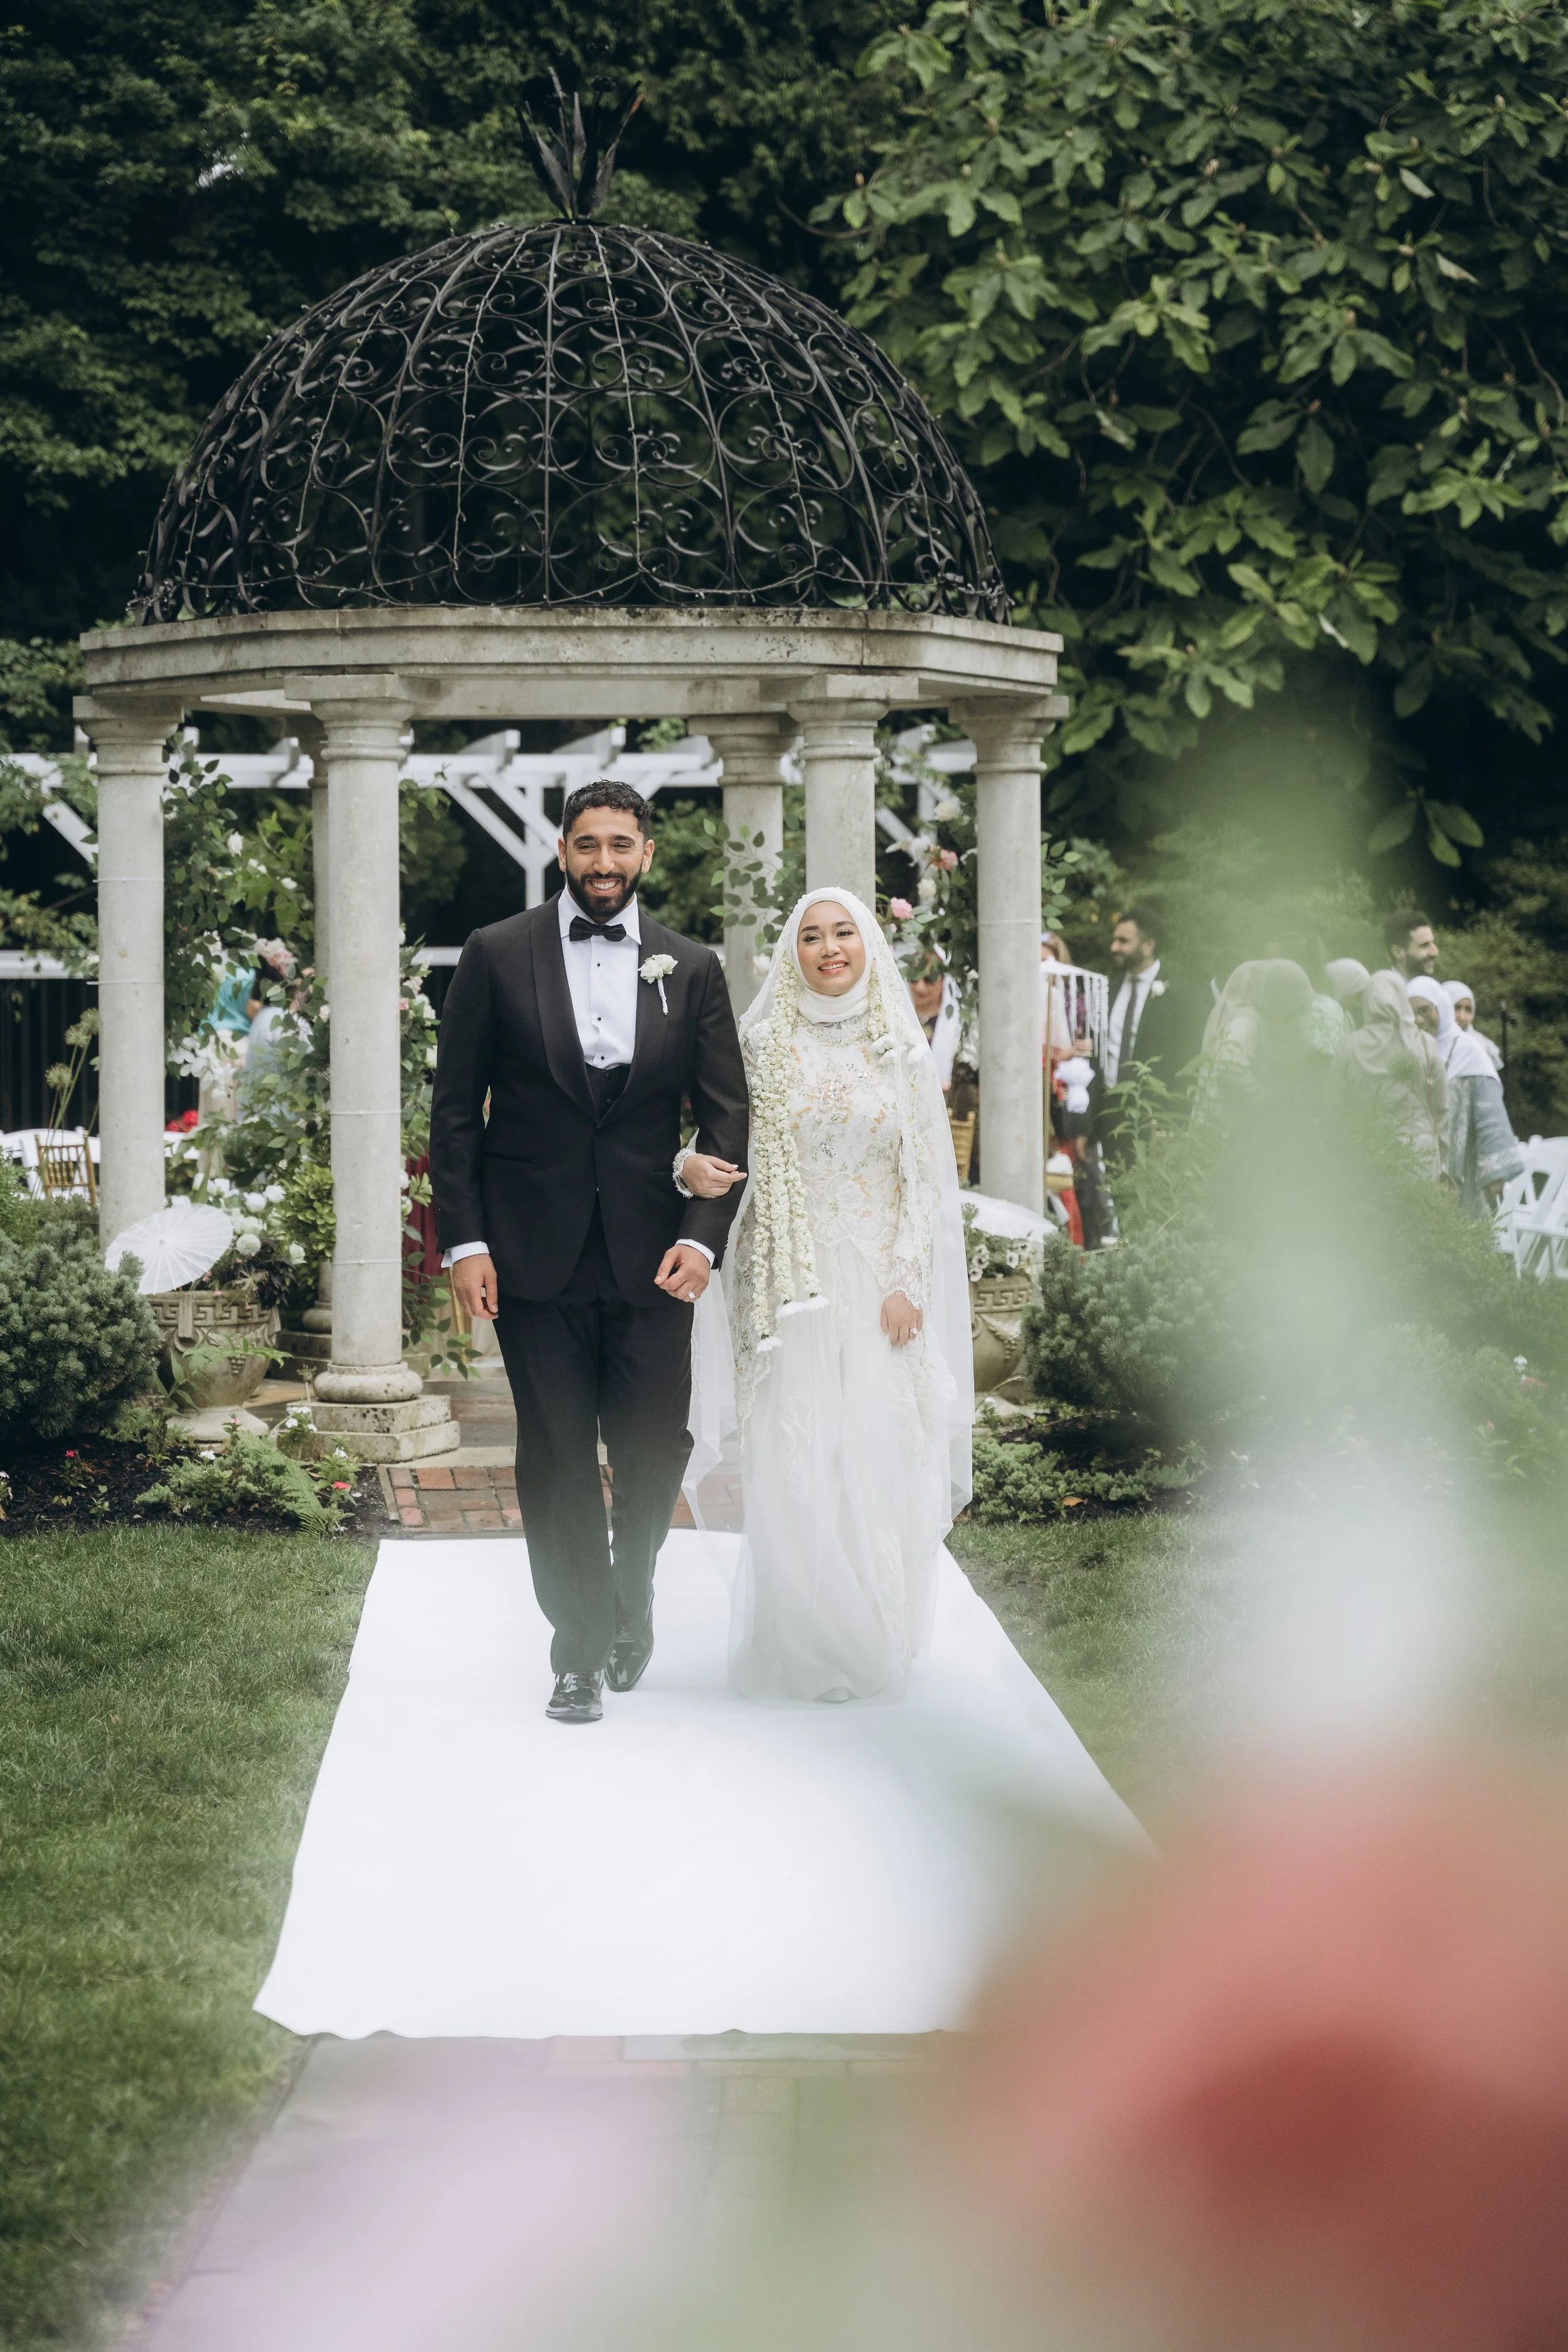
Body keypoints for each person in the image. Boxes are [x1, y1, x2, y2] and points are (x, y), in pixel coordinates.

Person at [429, 781, 749, 1726]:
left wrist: (704, 1238)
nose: (602, 862)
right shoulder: (496, 953)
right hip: (531, 1253)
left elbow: (727, 1115)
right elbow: (454, 1113)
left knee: (655, 1446)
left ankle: (632, 1593)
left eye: (620, 844)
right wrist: (467, 1240)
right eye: (585, 844)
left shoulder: (691, 968)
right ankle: (575, 1649)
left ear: (647, 853)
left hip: (657, 1254)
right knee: (559, 1454)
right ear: (561, 851)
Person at [727, 888, 973, 1703]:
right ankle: (810, 1640)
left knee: (873, 1448)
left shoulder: (898, 1048)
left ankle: (873, 1628)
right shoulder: (763, 1043)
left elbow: (924, 1179)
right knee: (801, 1454)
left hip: (876, 1284)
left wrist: (906, 1280)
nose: (829, 948)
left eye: (843, 933)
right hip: (793, 1282)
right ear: (790, 952)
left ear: (868, 944)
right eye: (811, 936)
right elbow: (729, 1150)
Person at [1408, 975, 1523, 1215]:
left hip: (1461, 1169)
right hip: (1412, 1167)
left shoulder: (1470, 1052)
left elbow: (1491, 1118)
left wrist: (1494, 1176)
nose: (1417, 1019)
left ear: (1441, 1008)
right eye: (1410, 1012)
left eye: (1424, 1010)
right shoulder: (1405, 1049)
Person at [1334, 970, 1447, 1180]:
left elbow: (1335, 1105)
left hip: (1367, 1154)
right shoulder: (1425, 1044)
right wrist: (1442, 1148)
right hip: (1421, 1154)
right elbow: (1441, 1108)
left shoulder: (1347, 1047)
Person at [1103, 909, 1207, 1094]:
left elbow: (1186, 1058)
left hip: (1152, 1109)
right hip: (1105, 1105)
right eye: (1115, 940)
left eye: (1123, 941)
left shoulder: (1181, 995)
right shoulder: (1108, 990)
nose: (1114, 948)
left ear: (1148, 946)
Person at [1194, 960, 1318, 1113]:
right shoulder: (1245, 1021)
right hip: (1227, 1122)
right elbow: (1230, 1068)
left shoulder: (1250, 1016)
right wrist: (1264, 1100)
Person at [907, 947, 962, 1091]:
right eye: (914, 979)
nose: (920, 987)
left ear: (944, 980)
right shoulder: (896, 1019)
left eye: (928, 980)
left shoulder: (960, 1026)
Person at [1443, 978, 1504, 1073]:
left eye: (1468, 1010)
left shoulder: (1482, 1046)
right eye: (1456, 1008)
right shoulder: (1428, 1042)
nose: (1462, 1017)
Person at [1384, 906, 1439, 981]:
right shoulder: (1382, 990)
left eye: (1433, 943)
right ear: (1397, 952)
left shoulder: (1434, 990)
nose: (1435, 953)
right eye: (1424, 945)